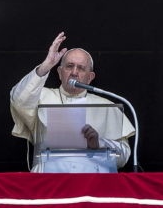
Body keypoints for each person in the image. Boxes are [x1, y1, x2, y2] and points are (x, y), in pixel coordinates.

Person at [10, 32, 135, 172]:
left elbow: (123, 157)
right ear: (59, 72)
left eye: (81, 68)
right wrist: (46, 65)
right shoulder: (41, 96)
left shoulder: (108, 106)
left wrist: (98, 143)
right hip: (49, 179)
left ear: (90, 77)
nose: (74, 72)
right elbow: (18, 100)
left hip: (93, 182)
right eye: (69, 66)